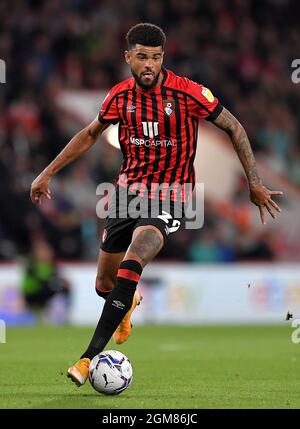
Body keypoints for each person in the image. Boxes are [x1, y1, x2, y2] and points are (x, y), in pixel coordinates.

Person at [30, 23, 283, 387]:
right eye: (143, 56)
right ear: (128, 57)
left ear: (163, 57)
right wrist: (47, 173)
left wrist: (254, 183)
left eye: (157, 57)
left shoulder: (188, 93)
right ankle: (127, 305)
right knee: (105, 284)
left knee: (135, 257)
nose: (150, 64)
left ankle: (87, 359)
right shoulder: (118, 97)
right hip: (126, 194)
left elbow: (235, 127)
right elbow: (89, 135)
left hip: (172, 195)